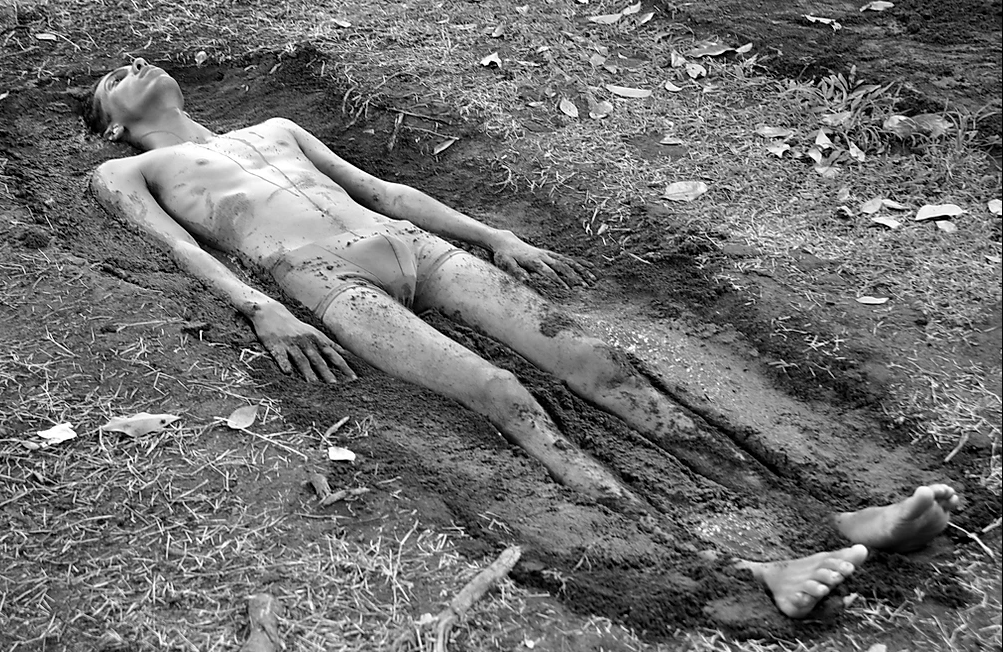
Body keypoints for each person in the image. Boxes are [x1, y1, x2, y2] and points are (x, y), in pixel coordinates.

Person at [84, 58, 960, 619]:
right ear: (113, 123)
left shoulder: (275, 130)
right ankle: (748, 562)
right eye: (114, 79)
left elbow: (385, 190)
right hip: (328, 283)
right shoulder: (127, 167)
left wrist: (493, 235)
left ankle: (829, 517)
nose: (135, 63)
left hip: (414, 247)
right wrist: (257, 306)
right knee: (507, 396)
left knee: (600, 362)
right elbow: (181, 247)